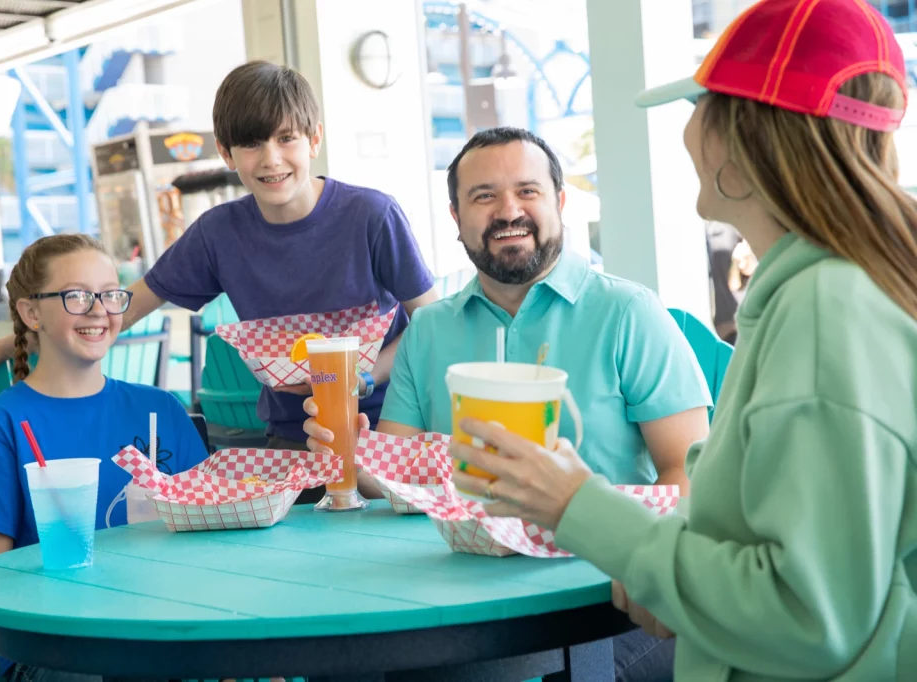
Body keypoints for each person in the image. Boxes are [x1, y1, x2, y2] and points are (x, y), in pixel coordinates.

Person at [451, 1, 917, 679]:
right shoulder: (828, 289)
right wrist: (672, 572)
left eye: (701, 105)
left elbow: (806, 616)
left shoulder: (826, 311)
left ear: (747, 136)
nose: (689, 130)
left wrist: (577, 505)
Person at [304, 126, 713, 681]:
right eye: (484, 196)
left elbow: (689, 472)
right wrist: (354, 455)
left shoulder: (628, 312)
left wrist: (645, 566)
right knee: (357, 668)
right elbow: (399, 476)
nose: (508, 211)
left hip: (609, 600)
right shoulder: (428, 330)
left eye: (527, 191)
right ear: (456, 217)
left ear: (559, 202)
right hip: (461, 594)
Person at [0, 61, 437, 495]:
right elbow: (119, 310)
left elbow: (432, 324)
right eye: (251, 143)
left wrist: (358, 378)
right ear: (226, 152)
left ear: (314, 139)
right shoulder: (219, 234)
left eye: (286, 138)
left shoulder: (371, 216)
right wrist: (5, 346)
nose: (271, 158)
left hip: (389, 432)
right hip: (290, 445)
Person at [0, 234, 209, 682]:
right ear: (32, 313)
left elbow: (212, 542)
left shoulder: (161, 411)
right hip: (58, 651)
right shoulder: (0, 428)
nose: (98, 310)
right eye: (76, 296)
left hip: (168, 632)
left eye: (109, 294)